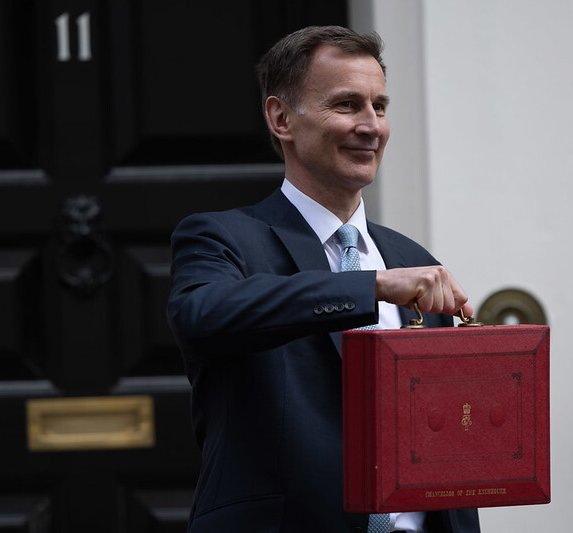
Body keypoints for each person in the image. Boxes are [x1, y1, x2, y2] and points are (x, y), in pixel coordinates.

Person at [167, 26, 481, 533]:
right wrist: (370, 288)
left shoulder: (411, 257)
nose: (371, 126)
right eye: (347, 105)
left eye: (379, 106)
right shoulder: (222, 238)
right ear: (281, 118)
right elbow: (202, 316)